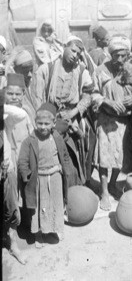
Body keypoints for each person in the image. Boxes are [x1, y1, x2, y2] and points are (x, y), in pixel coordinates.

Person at [32, 38, 96, 185]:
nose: (75, 55)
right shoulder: (46, 69)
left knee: (87, 139)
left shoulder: (81, 71)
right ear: (64, 47)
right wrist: (51, 119)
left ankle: (81, 182)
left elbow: (88, 96)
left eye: (79, 54)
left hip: (73, 115)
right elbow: (38, 99)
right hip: (49, 117)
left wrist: (73, 114)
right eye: (73, 50)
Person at [18, 103, 77, 248]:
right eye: (40, 123)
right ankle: (39, 234)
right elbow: (22, 161)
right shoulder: (30, 141)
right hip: (39, 179)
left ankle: (54, 229)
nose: (43, 127)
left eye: (46, 123)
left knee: (55, 204)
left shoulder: (56, 137)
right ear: (34, 123)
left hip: (55, 176)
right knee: (40, 207)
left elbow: (64, 155)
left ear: (53, 124)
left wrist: (68, 170)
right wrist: (27, 176)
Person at [94, 36, 132, 210]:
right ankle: (104, 191)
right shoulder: (100, 71)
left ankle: (113, 184)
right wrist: (107, 101)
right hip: (106, 119)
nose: (119, 60)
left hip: (123, 121)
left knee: (119, 157)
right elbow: (92, 92)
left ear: (127, 55)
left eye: (123, 56)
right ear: (110, 54)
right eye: (116, 55)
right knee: (104, 157)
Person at [2, 88, 28, 265]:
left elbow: (20, 113)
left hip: (5, 167)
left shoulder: (6, 118)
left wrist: (2, 102)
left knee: (10, 204)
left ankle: (12, 243)